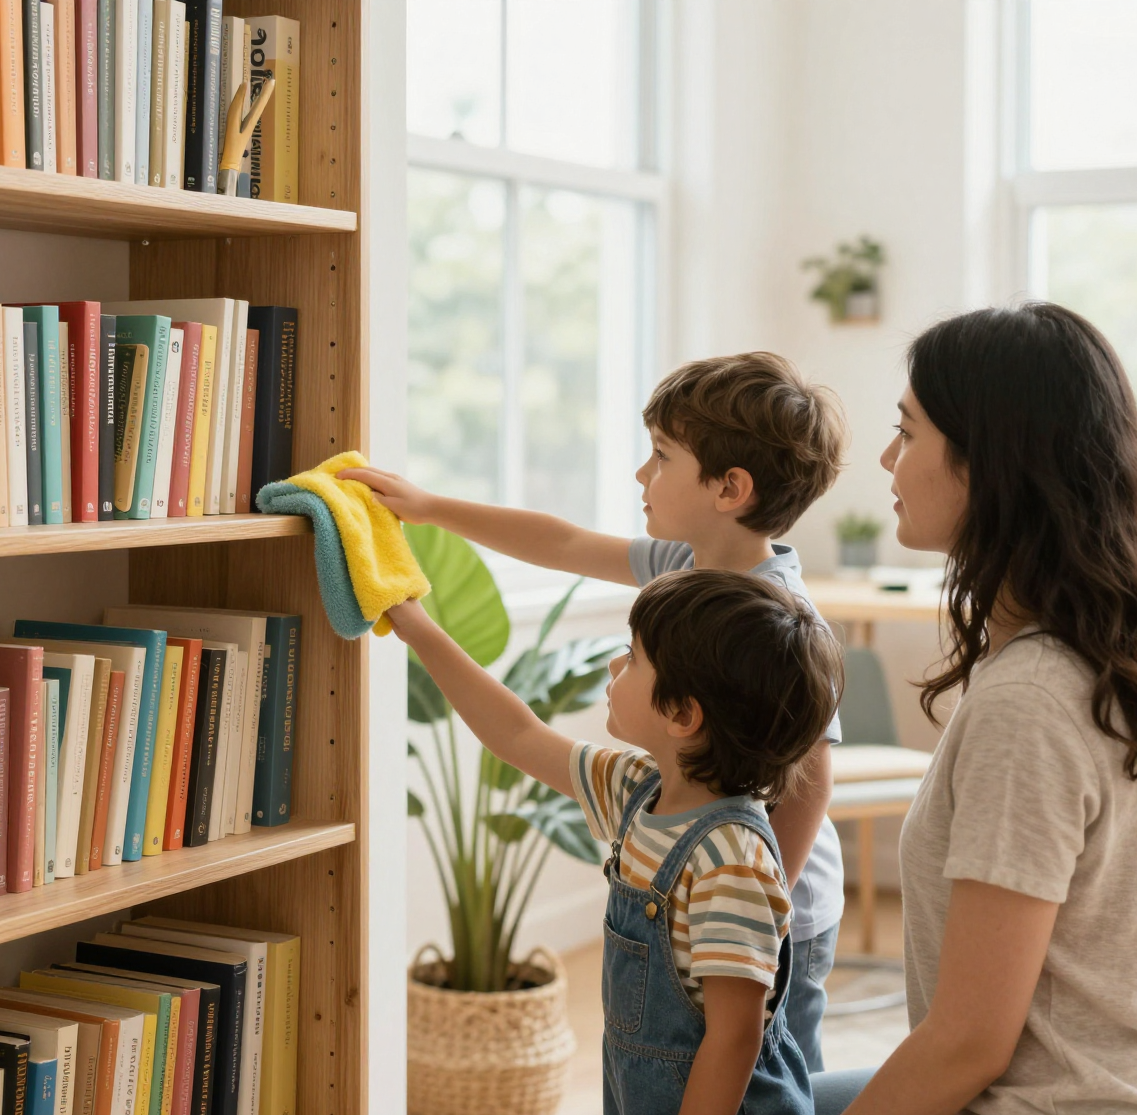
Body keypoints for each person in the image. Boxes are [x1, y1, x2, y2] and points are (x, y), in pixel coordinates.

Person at [807, 302, 1137, 1115]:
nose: (889, 461)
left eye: (908, 432)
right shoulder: (1083, 648)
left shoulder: (1031, 703)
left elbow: (968, 1043)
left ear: (986, 464)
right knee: (768, 1107)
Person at [344, 352, 853, 1068]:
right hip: (695, 891)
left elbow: (809, 787)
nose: (642, 475)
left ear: (729, 488)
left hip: (767, 912)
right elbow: (562, 543)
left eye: (661, 456)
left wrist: (762, 912)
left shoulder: (780, 617)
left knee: (768, 1088)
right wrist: (430, 508)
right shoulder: (684, 563)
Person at [386, 568, 843, 1115]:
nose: (612, 666)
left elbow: (734, 1041)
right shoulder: (637, 790)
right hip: (644, 1106)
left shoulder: (732, 862)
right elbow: (517, 734)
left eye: (633, 657)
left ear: (683, 716)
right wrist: (418, 627)